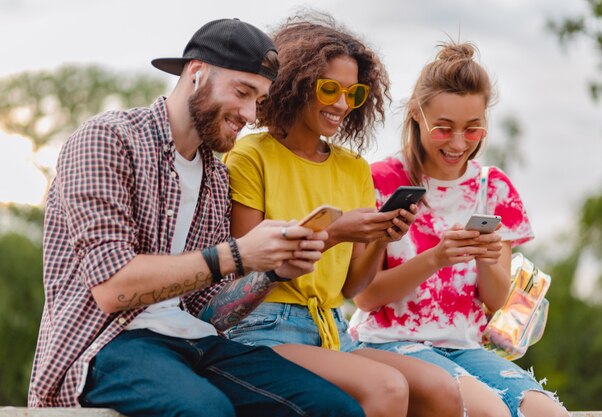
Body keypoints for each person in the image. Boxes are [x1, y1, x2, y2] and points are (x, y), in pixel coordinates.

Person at [28, 18, 367, 417]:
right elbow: (111, 287)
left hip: (195, 341)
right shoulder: (107, 139)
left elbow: (208, 311)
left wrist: (272, 272)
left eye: (258, 100)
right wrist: (238, 254)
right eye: (242, 92)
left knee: (334, 408)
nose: (250, 114)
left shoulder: (216, 177)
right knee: (207, 410)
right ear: (197, 73)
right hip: (108, 343)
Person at [207, 13, 463, 417]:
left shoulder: (354, 168)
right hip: (262, 327)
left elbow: (350, 288)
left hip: (332, 329)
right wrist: (335, 234)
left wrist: (382, 234)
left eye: (353, 94)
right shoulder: (252, 155)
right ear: (295, 84)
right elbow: (246, 274)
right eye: (329, 89)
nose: (342, 104)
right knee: (387, 387)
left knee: (441, 390)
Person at [349, 41, 570, 417]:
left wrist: (486, 258)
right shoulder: (381, 182)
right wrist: (436, 258)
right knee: (490, 413)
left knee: (549, 414)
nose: (457, 144)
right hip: (387, 340)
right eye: (443, 129)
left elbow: (498, 303)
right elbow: (366, 298)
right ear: (417, 116)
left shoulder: (493, 187)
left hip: (464, 345)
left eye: (472, 131)